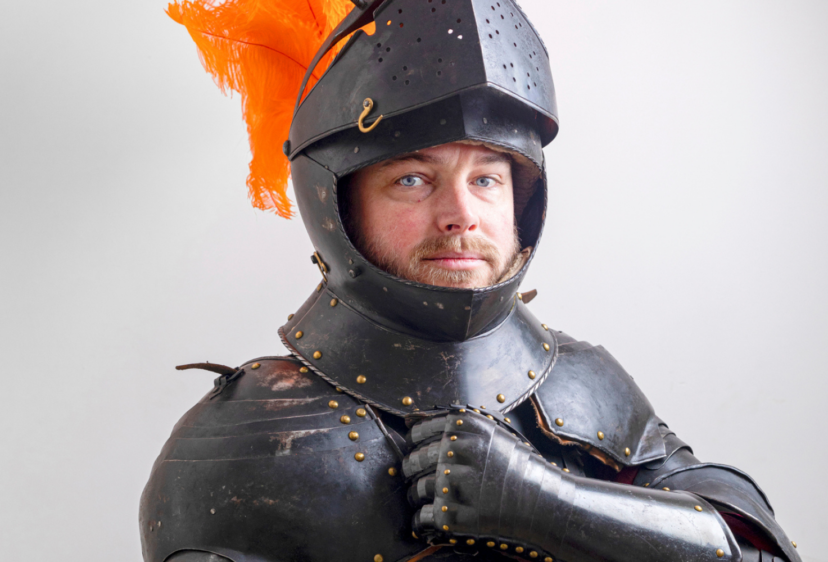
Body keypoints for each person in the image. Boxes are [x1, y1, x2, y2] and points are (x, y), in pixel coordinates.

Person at [140, 1, 800, 561]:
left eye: (486, 177)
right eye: (412, 179)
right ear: (336, 203)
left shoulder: (584, 384)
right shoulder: (250, 437)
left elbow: (760, 552)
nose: (461, 215)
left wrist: (550, 504)